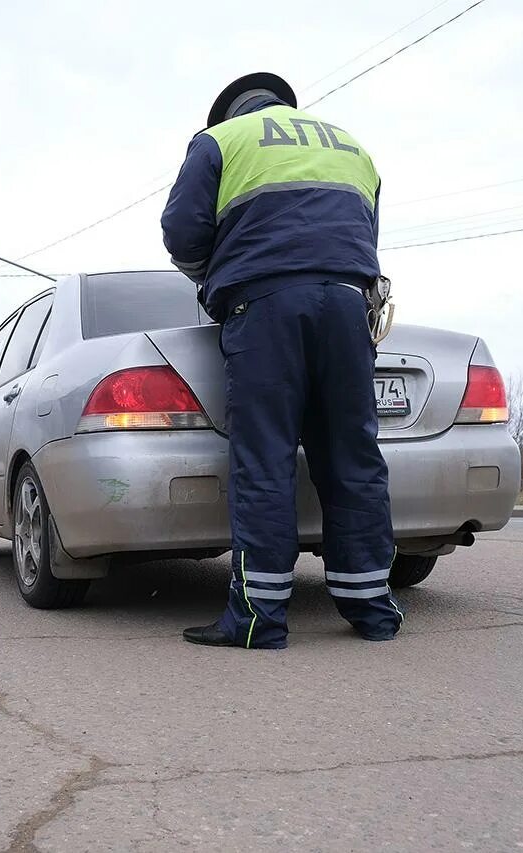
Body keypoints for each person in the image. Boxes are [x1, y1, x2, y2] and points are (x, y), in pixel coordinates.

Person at [161, 73, 403, 649]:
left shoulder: (221, 141)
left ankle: (259, 616)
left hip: (265, 307)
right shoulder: (351, 146)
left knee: (265, 458)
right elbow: (365, 234)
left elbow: (181, 232)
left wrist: (215, 275)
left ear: (228, 111)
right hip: (349, 305)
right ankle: (371, 607)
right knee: (353, 453)